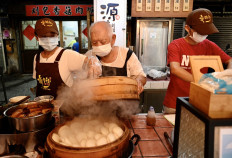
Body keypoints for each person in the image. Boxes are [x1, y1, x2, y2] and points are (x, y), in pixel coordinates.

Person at [163, 8, 232, 114]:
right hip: (174, 104)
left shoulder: (209, 45)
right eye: (200, 32)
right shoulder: (176, 45)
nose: (203, 35)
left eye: (206, 32)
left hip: (199, 103)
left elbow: (229, 60)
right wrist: (203, 81)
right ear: (187, 28)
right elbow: (175, 69)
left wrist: (227, 76)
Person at [33, 18, 101, 98]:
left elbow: (89, 60)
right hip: (42, 106)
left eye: (52, 36)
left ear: (57, 36)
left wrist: (93, 62)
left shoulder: (67, 54)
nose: (48, 39)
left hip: (63, 107)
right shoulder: (36, 58)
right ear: (37, 37)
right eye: (44, 36)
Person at [85, 21, 146, 94]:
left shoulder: (127, 55)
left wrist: (138, 82)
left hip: (124, 103)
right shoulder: (89, 56)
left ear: (113, 39)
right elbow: (79, 80)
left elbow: (141, 76)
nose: (99, 46)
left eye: (103, 42)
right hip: (96, 103)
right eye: (94, 42)